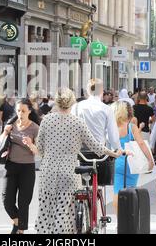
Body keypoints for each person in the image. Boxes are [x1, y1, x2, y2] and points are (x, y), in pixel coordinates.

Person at [35, 88, 123, 234]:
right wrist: (113, 152)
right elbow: (95, 145)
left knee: (46, 207)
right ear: (72, 103)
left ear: (56, 102)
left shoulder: (46, 120)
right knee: (64, 210)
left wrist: (49, 155)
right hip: (69, 170)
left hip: (48, 171)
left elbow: (40, 148)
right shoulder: (77, 122)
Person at [0, 99, 39, 234]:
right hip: (11, 166)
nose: (20, 113)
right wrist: (5, 132)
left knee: (24, 202)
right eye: (18, 110)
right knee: (7, 200)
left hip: (27, 168)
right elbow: (1, 141)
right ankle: (18, 222)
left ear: (29, 111)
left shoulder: (34, 128)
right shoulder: (11, 124)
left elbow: (38, 151)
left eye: (23, 111)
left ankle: (19, 231)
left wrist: (30, 144)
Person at [112, 101, 154, 216]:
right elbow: (141, 143)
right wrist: (150, 159)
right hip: (130, 163)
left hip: (116, 162)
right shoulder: (131, 127)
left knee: (117, 191)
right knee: (131, 190)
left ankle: (119, 220)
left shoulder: (112, 127)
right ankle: (130, 216)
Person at [72, 79, 122, 152]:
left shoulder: (76, 106)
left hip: (80, 152)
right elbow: (113, 136)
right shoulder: (106, 109)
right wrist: (118, 149)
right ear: (102, 91)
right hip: (99, 151)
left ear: (88, 91)